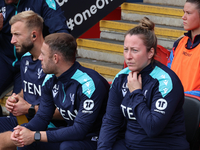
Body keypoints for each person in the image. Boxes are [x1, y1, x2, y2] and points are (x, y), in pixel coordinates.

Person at [97, 17, 189, 150]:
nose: (128, 56)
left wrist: (135, 93)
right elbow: (111, 122)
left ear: (150, 52)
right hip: (129, 145)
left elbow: (152, 128)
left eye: (134, 50)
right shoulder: (121, 77)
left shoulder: (165, 81)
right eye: (125, 49)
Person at [10, 32, 110, 150]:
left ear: (55, 58)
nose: (40, 58)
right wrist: (25, 130)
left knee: (67, 147)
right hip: (73, 133)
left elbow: (80, 130)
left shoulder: (89, 84)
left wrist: (35, 135)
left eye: (43, 54)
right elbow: (42, 117)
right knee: (25, 142)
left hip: (97, 137)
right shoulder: (50, 79)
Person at [0, 10, 64, 150]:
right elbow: (28, 89)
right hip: (26, 121)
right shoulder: (25, 58)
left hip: (50, 128)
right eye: (12, 35)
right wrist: (16, 97)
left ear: (34, 35)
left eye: (16, 35)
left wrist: (29, 109)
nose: (12, 41)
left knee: (3, 142)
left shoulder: (55, 63)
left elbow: (66, 110)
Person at [0, 0, 69, 111]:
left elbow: (62, 35)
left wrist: (46, 56)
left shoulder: (43, 2)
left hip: (34, 62)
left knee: (16, 109)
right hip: (4, 59)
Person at [167, 0, 200, 97]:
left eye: (188, 13)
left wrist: (181, 96)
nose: (183, 17)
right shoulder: (179, 43)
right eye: (184, 12)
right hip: (174, 106)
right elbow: (167, 76)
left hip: (194, 107)